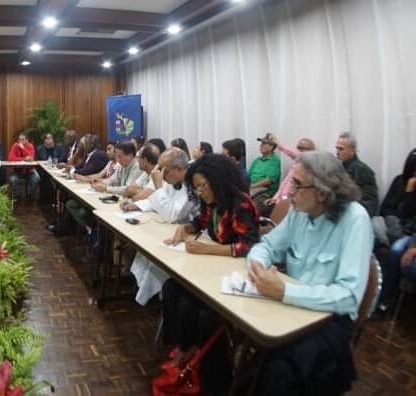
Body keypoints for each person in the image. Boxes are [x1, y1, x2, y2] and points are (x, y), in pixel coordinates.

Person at [247, 151, 372, 395]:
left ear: (322, 193)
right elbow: (267, 246)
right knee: (248, 337)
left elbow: (348, 296)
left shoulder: (355, 219)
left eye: (297, 184)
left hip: (328, 318)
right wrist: (259, 269)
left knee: (278, 368)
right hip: (290, 306)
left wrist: (285, 291)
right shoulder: (298, 211)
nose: (289, 192)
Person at [159, 154, 260, 393]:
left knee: (203, 314)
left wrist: (211, 249)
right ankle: (186, 348)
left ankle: (211, 375)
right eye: (196, 187)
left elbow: (249, 246)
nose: (201, 191)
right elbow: (201, 221)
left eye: (204, 185)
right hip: (214, 269)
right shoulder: (212, 203)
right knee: (172, 289)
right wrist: (185, 228)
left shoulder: (241, 204)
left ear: (219, 181)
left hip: (235, 275)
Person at [123, 149, 195, 305]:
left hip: (186, 233)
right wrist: (135, 205)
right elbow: (155, 201)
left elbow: (172, 214)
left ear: (179, 169)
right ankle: (147, 293)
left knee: (155, 258)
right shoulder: (173, 180)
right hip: (171, 229)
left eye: (164, 170)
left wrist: (158, 185)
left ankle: (158, 298)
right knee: (146, 250)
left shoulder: (192, 184)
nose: (161, 174)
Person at [377, 148, 416, 309]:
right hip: (403, 228)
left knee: (396, 250)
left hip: (410, 233)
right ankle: (383, 297)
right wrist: (410, 191)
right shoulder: (401, 181)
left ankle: (387, 297)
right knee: (386, 243)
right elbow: (402, 213)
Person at [335, 131, 379, 217]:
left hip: (354, 216)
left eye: (341, 149)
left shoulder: (363, 171)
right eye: (337, 148)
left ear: (352, 151)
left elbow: (370, 203)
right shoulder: (338, 168)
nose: (337, 152)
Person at [266, 136, 316, 207]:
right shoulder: (295, 165)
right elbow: (284, 184)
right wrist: (275, 198)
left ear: (312, 151)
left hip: (292, 204)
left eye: (303, 149)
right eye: (298, 148)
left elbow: (294, 153)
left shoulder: (310, 165)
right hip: (280, 201)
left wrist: (277, 143)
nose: (299, 151)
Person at [248, 133, 281, 207]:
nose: (261, 145)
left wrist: (252, 186)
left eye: (264, 143)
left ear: (272, 146)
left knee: (250, 206)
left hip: (265, 192)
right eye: (261, 143)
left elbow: (268, 181)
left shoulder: (275, 161)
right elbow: (248, 176)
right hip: (252, 190)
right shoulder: (257, 160)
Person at [7, 133, 40, 203]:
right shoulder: (15, 146)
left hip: (29, 170)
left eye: (23, 139)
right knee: (13, 179)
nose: (20, 141)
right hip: (17, 170)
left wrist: (23, 148)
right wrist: (23, 159)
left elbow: (31, 158)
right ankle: (16, 197)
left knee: (36, 178)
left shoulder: (30, 146)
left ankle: (29, 196)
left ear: (27, 140)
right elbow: (10, 158)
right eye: (19, 139)